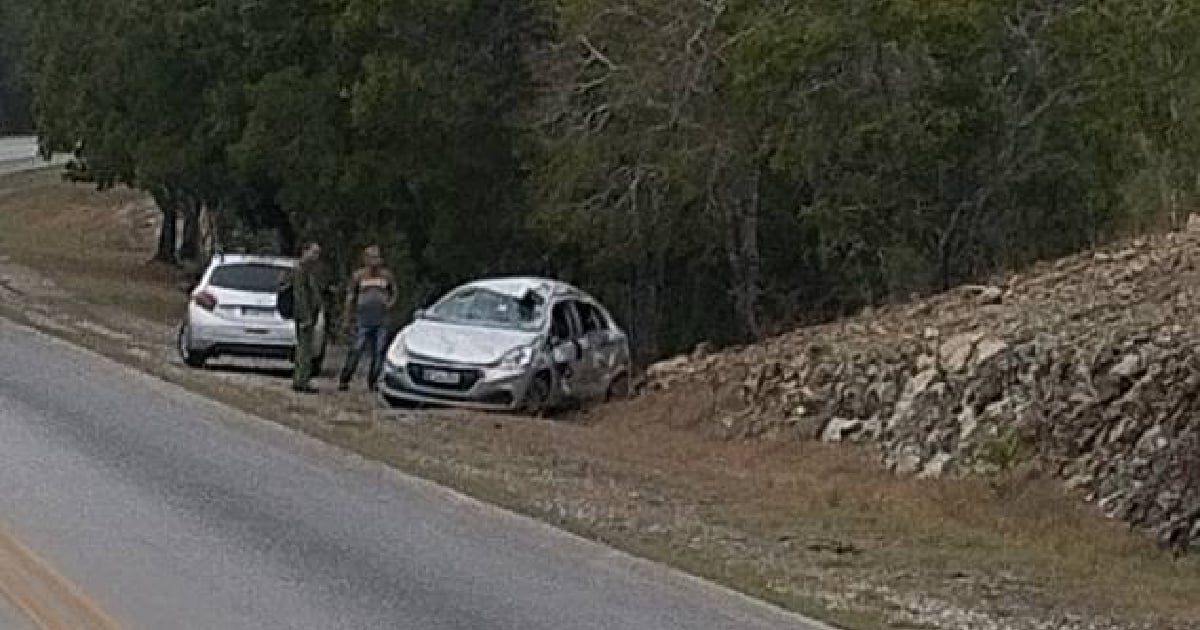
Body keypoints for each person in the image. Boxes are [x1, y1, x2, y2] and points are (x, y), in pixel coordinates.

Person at [337, 245, 397, 391]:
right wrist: (347, 317)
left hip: (381, 319)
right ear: (365, 259)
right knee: (357, 349)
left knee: (379, 351)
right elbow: (350, 296)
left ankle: (373, 381)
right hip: (363, 319)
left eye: (377, 257)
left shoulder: (386, 276)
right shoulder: (358, 276)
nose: (375, 261)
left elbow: (394, 291)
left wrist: (390, 303)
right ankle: (345, 378)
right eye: (372, 257)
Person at [291, 241, 323, 394]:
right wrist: (305, 316)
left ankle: (303, 378)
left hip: (312, 313)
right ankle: (301, 380)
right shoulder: (300, 270)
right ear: (305, 251)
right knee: (304, 349)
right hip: (305, 316)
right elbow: (300, 295)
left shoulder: (310, 270)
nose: (316, 256)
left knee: (307, 348)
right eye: (314, 252)